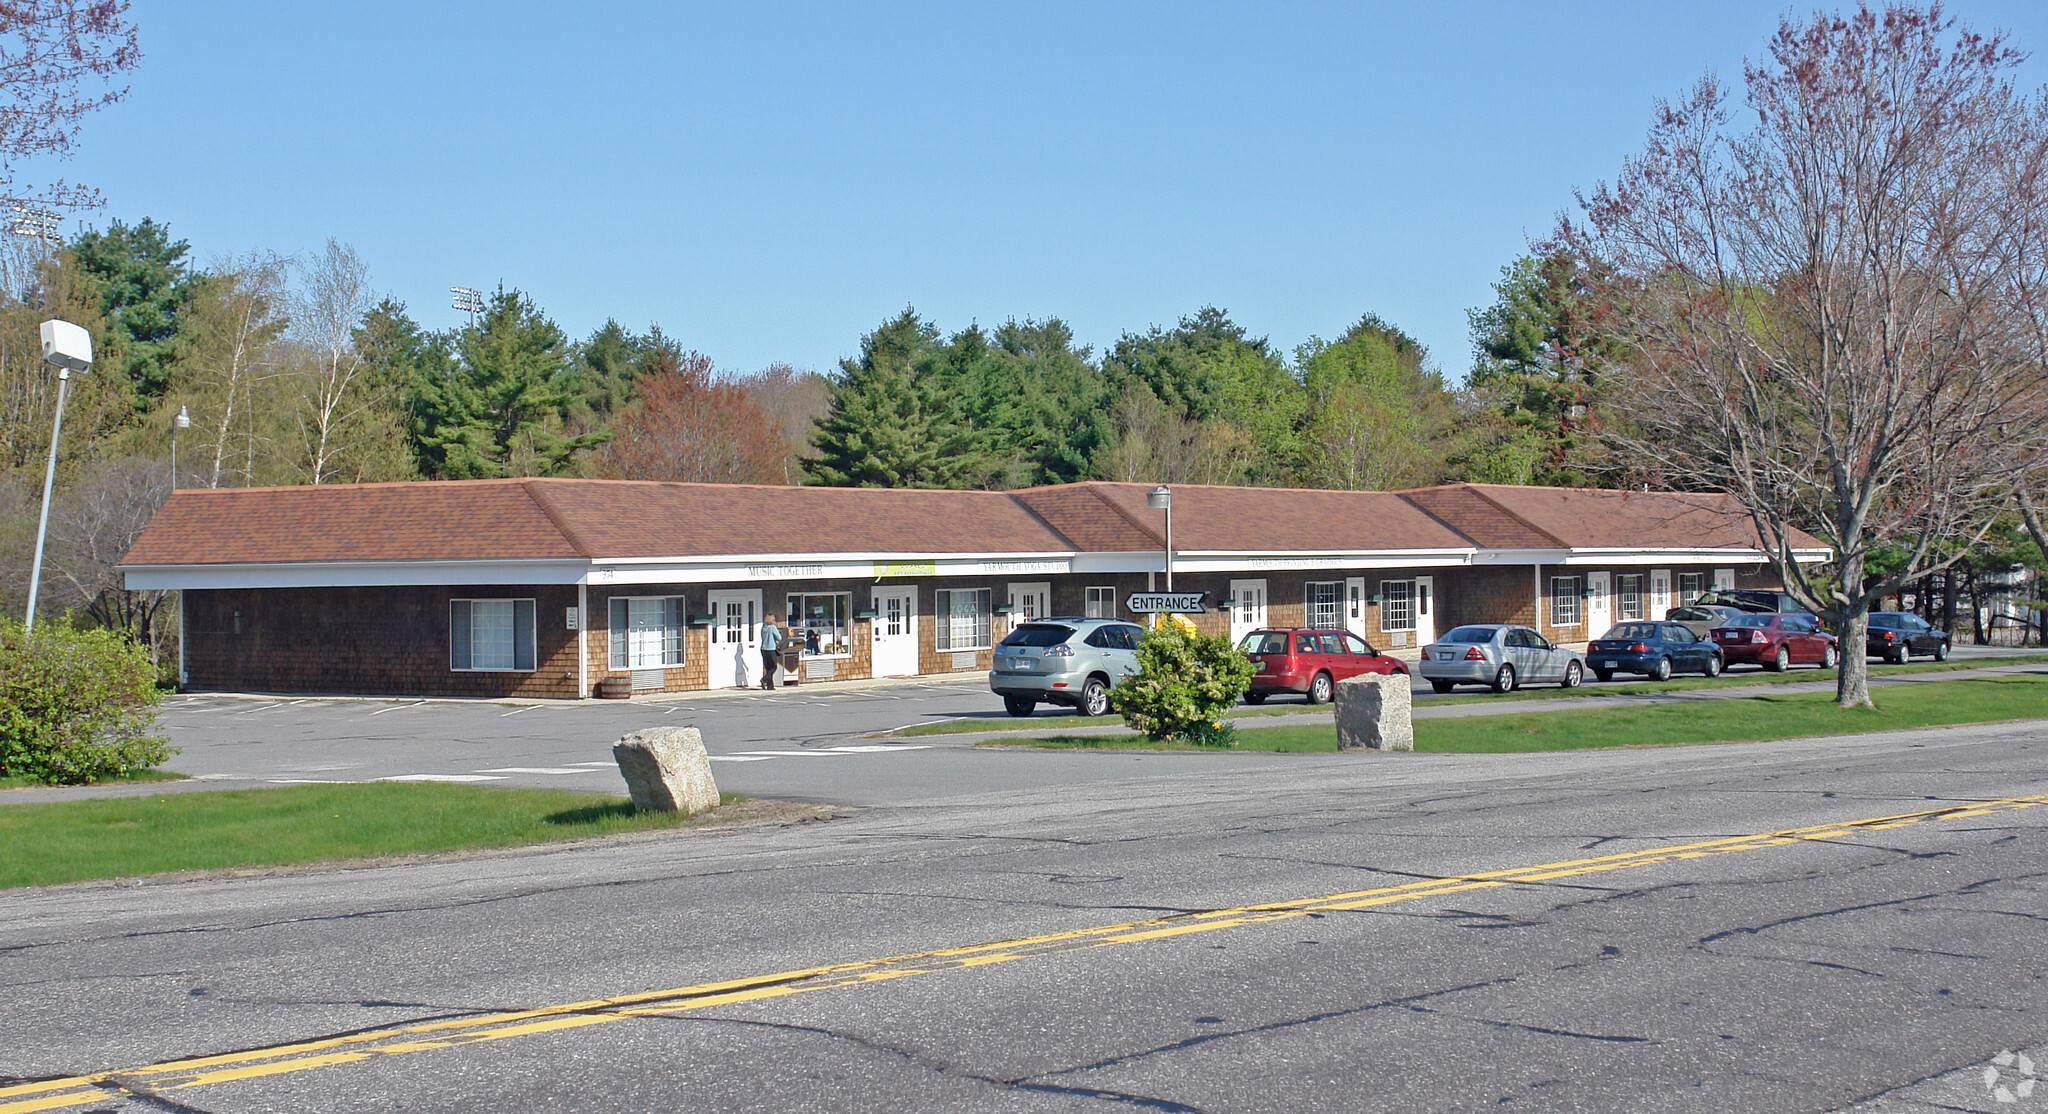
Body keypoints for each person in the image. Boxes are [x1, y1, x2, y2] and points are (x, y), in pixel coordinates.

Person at [759, 614, 783, 690]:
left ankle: (770, 686)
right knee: (774, 667)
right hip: (771, 649)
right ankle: (764, 679)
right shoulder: (772, 627)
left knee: (768, 668)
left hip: (763, 649)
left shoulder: (763, 628)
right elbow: (779, 637)